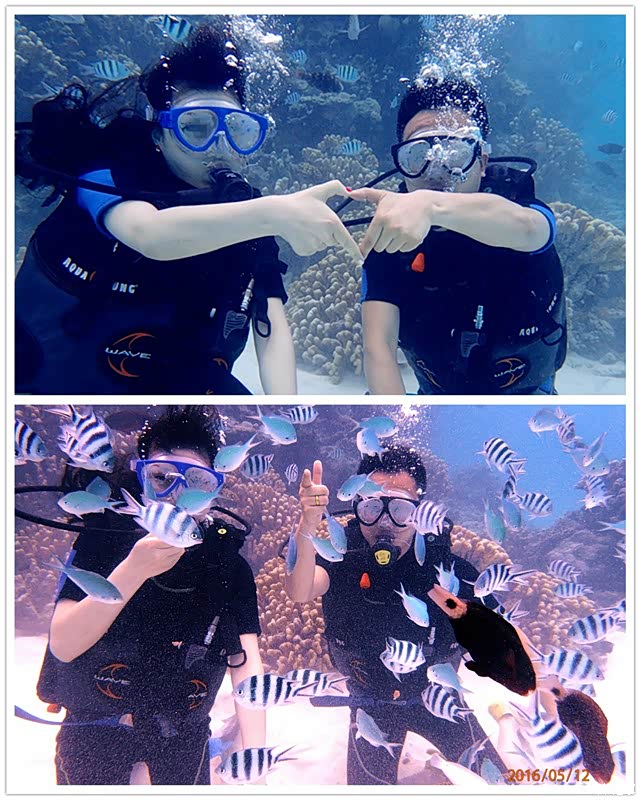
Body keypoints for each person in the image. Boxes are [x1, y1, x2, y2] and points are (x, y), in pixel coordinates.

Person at [15, 22, 361, 395]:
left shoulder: (253, 214)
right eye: (195, 128)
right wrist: (274, 213)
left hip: (171, 379)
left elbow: (270, 325)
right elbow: (148, 233)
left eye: (238, 130)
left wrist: (286, 406)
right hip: (47, 375)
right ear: (159, 135)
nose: (220, 145)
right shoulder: (110, 169)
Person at [37, 406, 265, 785]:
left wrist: (255, 764)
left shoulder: (227, 564)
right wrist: (134, 568)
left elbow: (247, 664)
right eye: (161, 477)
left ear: (213, 489)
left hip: (182, 735)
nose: (178, 495)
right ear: (141, 478)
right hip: (95, 730)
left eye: (196, 481)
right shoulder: (104, 539)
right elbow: (63, 644)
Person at [285, 445, 505, 785]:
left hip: (439, 699)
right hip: (370, 704)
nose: (385, 522)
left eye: (401, 509)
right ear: (357, 507)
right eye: (372, 507)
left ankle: (503, 723)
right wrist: (308, 526)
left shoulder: (449, 572)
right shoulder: (342, 559)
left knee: (501, 783)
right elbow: (300, 590)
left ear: (421, 511)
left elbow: (506, 634)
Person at [350, 77, 566, 395]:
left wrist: (431, 206)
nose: (435, 170)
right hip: (434, 395)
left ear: (482, 161)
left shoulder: (519, 206)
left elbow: (530, 230)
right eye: (417, 155)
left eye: (454, 152)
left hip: (529, 397)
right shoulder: (389, 236)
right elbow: (378, 348)